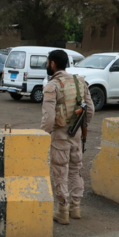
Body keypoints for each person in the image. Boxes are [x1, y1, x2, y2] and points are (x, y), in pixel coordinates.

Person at [41, 49, 94, 225]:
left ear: (53, 63)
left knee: (60, 172)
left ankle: (62, 211)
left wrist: (43, 136)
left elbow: (49, 118)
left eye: (47, 62)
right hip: (76, 133)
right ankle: (75, 207)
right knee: (75, 170)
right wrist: (81, 126)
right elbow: (90, 110)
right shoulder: (80, 82)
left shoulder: (52, 86)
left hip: (60, 135)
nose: (46, 65)